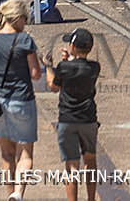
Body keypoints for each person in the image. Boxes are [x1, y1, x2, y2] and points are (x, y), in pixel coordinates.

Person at [0, 0, 41, 200]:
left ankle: (9, 193)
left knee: (6, 154)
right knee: (25, 153)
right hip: (22, 100)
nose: (26, 23)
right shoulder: (25, 40)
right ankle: (18, 193)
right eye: (25, 19)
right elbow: (35, 73)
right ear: (17, 18)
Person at [44, 27, 100, 201]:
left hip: (67, 119)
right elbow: (78, 71)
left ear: (73, 46)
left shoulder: (64, 67)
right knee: (90, 162)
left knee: (71, 165)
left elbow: (53, 86)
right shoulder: (94, 67)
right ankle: (91, 199)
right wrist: (70, 62)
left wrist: (48, 67)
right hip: (88, 119)